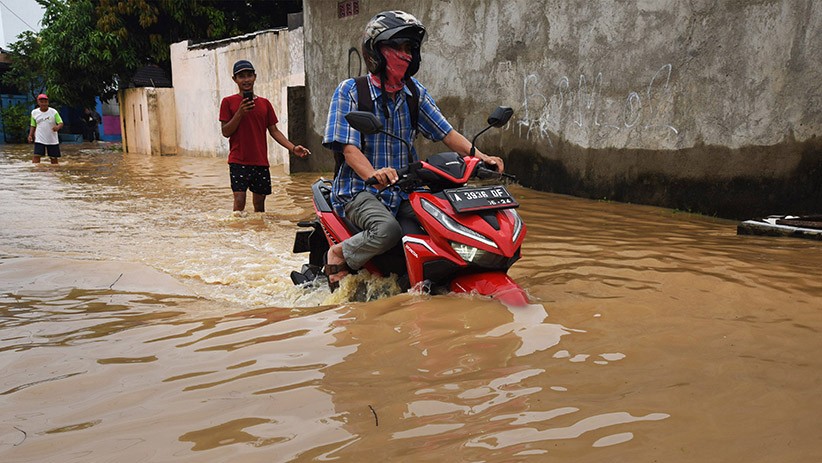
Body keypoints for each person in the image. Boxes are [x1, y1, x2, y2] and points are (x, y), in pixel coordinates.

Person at [322, 10, 505, 285]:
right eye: (396, 47)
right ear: (375, 50)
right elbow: (349, 149)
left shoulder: (414, 92)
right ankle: (339, 253)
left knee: (449, 217)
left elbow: (448, 133)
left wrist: (482, 158)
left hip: (405, 189)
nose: (404, 54)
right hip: (359, 191)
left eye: (409, 48)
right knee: (387, 230)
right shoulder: (351, 91)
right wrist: (374, 174)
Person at [219, 59, 310, 213]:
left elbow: (274, 131)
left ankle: (259, 234)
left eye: (249, 75)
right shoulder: (228, 102)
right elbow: (226, 132)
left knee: (260, 207)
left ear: (255, 77)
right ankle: (238, 233)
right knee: (239, 202)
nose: (246, 80)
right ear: (235, 79)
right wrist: (240, 113)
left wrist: (293, 148)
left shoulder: (265, 103)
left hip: (260, 162)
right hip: (238, 161)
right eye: (241, 76)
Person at [27, 94, 64, 164]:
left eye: (45, 102)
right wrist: (30, 135)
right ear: (38, 102)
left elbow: (61, 123)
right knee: (36, 156)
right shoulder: (34, 112)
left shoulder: (54, 112)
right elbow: (33, 125)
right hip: (39, 138)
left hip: (52, 139)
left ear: (48, 102)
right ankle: (36, 173)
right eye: (42, 102)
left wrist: (57, 127)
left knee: (54, 158)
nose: (44, 103)